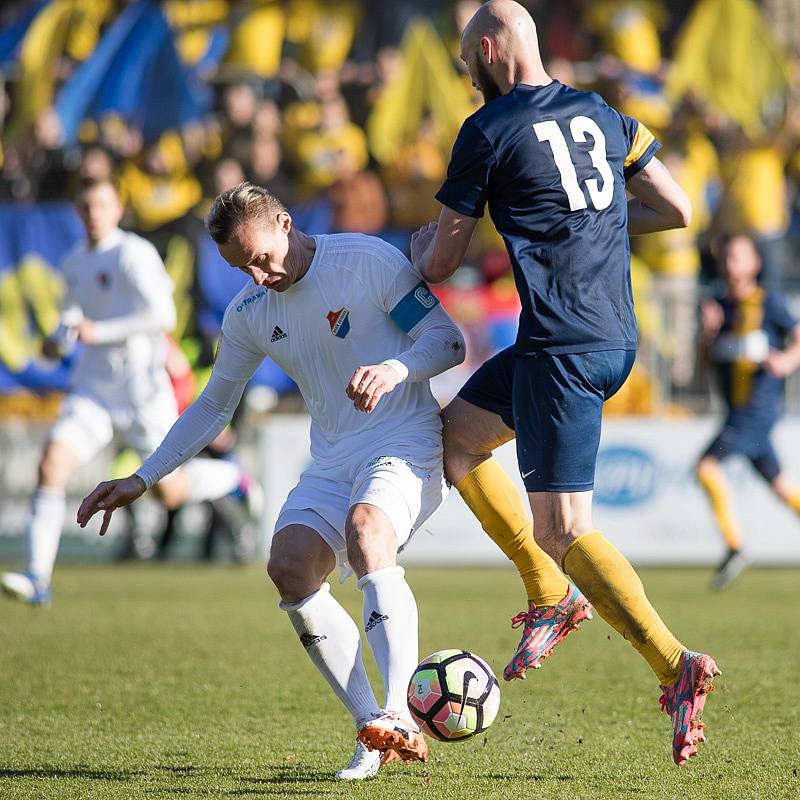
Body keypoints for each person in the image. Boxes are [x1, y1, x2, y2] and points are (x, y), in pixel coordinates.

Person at [410, 0, 719, 767]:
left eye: (464, 60)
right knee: (456, 441)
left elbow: (440, 264)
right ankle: (548, 594)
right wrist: (601, 221)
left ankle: (673, 665)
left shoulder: (487, 129)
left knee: (565, 528)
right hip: (609, 335)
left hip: (561, 348)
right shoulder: (607, 116)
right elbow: (678, 209)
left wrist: (414, 249)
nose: (464, 73)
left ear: (487, 50)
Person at [75, 182, 466, 779]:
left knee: (367, 534)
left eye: (259, 257)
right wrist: (143, 477)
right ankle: (373, 729)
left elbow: (446, 340)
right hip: (334, 456)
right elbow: (212, 407)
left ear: (285, 223)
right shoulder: (250, 313)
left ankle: (399, 713)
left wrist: (394, 368)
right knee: (288, 566)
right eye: (241, 268)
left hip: (404, 438)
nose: (257, 276)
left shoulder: (367, 261)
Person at [0, 178, 249, 606]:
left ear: (118, 209)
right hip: (93, 392)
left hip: (141, 392)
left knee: (171, 492)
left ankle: (234, 479)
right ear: (79, 213)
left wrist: (101, 332)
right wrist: (57, 342)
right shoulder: (75, 261)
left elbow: (162, 315)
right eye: (86, 207)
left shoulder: (133, 253)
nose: (93, 214)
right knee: (51, 463)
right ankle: (38, 577)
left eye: (101, 205)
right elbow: (72, 320)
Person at [697, 234, 800, 589]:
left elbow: (797, 337)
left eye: (738, 256)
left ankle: (735, 546)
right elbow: (705, 362)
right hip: (737, 412)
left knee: (706, 467)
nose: (730, 263)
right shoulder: (718, 307)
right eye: (726, 256)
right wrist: (708, 334)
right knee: (782, 486)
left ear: (755, 263)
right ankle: (735, 547)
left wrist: (786, 360)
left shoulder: (769, 304)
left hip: (757, 409)